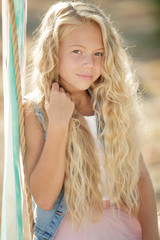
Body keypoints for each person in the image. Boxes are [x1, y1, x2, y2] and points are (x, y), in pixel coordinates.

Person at [24, 1, 160, 240]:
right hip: (68, 231)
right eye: (77, 51)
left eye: (98, 53)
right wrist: (58, 124)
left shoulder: (111, 104)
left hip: (123, 227)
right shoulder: (36, 111)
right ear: (53, 51)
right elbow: (44, 198)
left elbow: (141, 182)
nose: (90, 63)